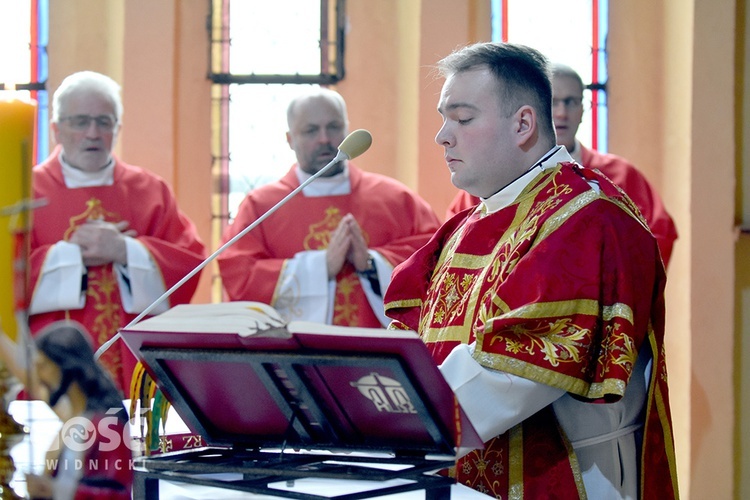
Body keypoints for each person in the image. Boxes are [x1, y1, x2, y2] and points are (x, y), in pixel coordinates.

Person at [384, 42, 678, 498]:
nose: (443, 136)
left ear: (523, 123)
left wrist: (391, 418)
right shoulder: (463, 227)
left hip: (570, 475)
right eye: (444, 118)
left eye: (462, 119)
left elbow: (515, 370)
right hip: (458, 474)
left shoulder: (589, 219)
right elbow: (411, 340)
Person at [28, 71, 206, 394]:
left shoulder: (149, 190)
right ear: (56, 129)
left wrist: (125, 251)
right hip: (50, 364)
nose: (93, 133)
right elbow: (8, 276)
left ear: (117, 129)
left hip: (136, 365)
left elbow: (188, 263)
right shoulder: (25, 193)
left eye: (104, 122)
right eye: (80, 121)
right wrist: (69, 255)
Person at [218, 88, 441, 327]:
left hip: (379, 352)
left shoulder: (396, 198)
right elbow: (240, 275)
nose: (324, 138)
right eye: (311, 130)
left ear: (346, 130)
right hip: (298, 357)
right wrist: (320, 266)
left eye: (334, 127)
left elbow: (435, 258)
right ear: (290, 139)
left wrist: (371, 262)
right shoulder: (261, 206)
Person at [446, 63, 678, 268]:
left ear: (583, 110)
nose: (561, 112)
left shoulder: (620, 175)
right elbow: (457, 240)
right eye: (554, 102)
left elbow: (657, 235)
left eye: (571, 102)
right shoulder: (494, 177)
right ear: (533, 111)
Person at [0, 320, 133, 499]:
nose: (37, 375)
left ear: (66, 365)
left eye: (43, 366)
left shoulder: (107, 425)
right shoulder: (73, 415)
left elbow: (118, 494)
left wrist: (54, 490)